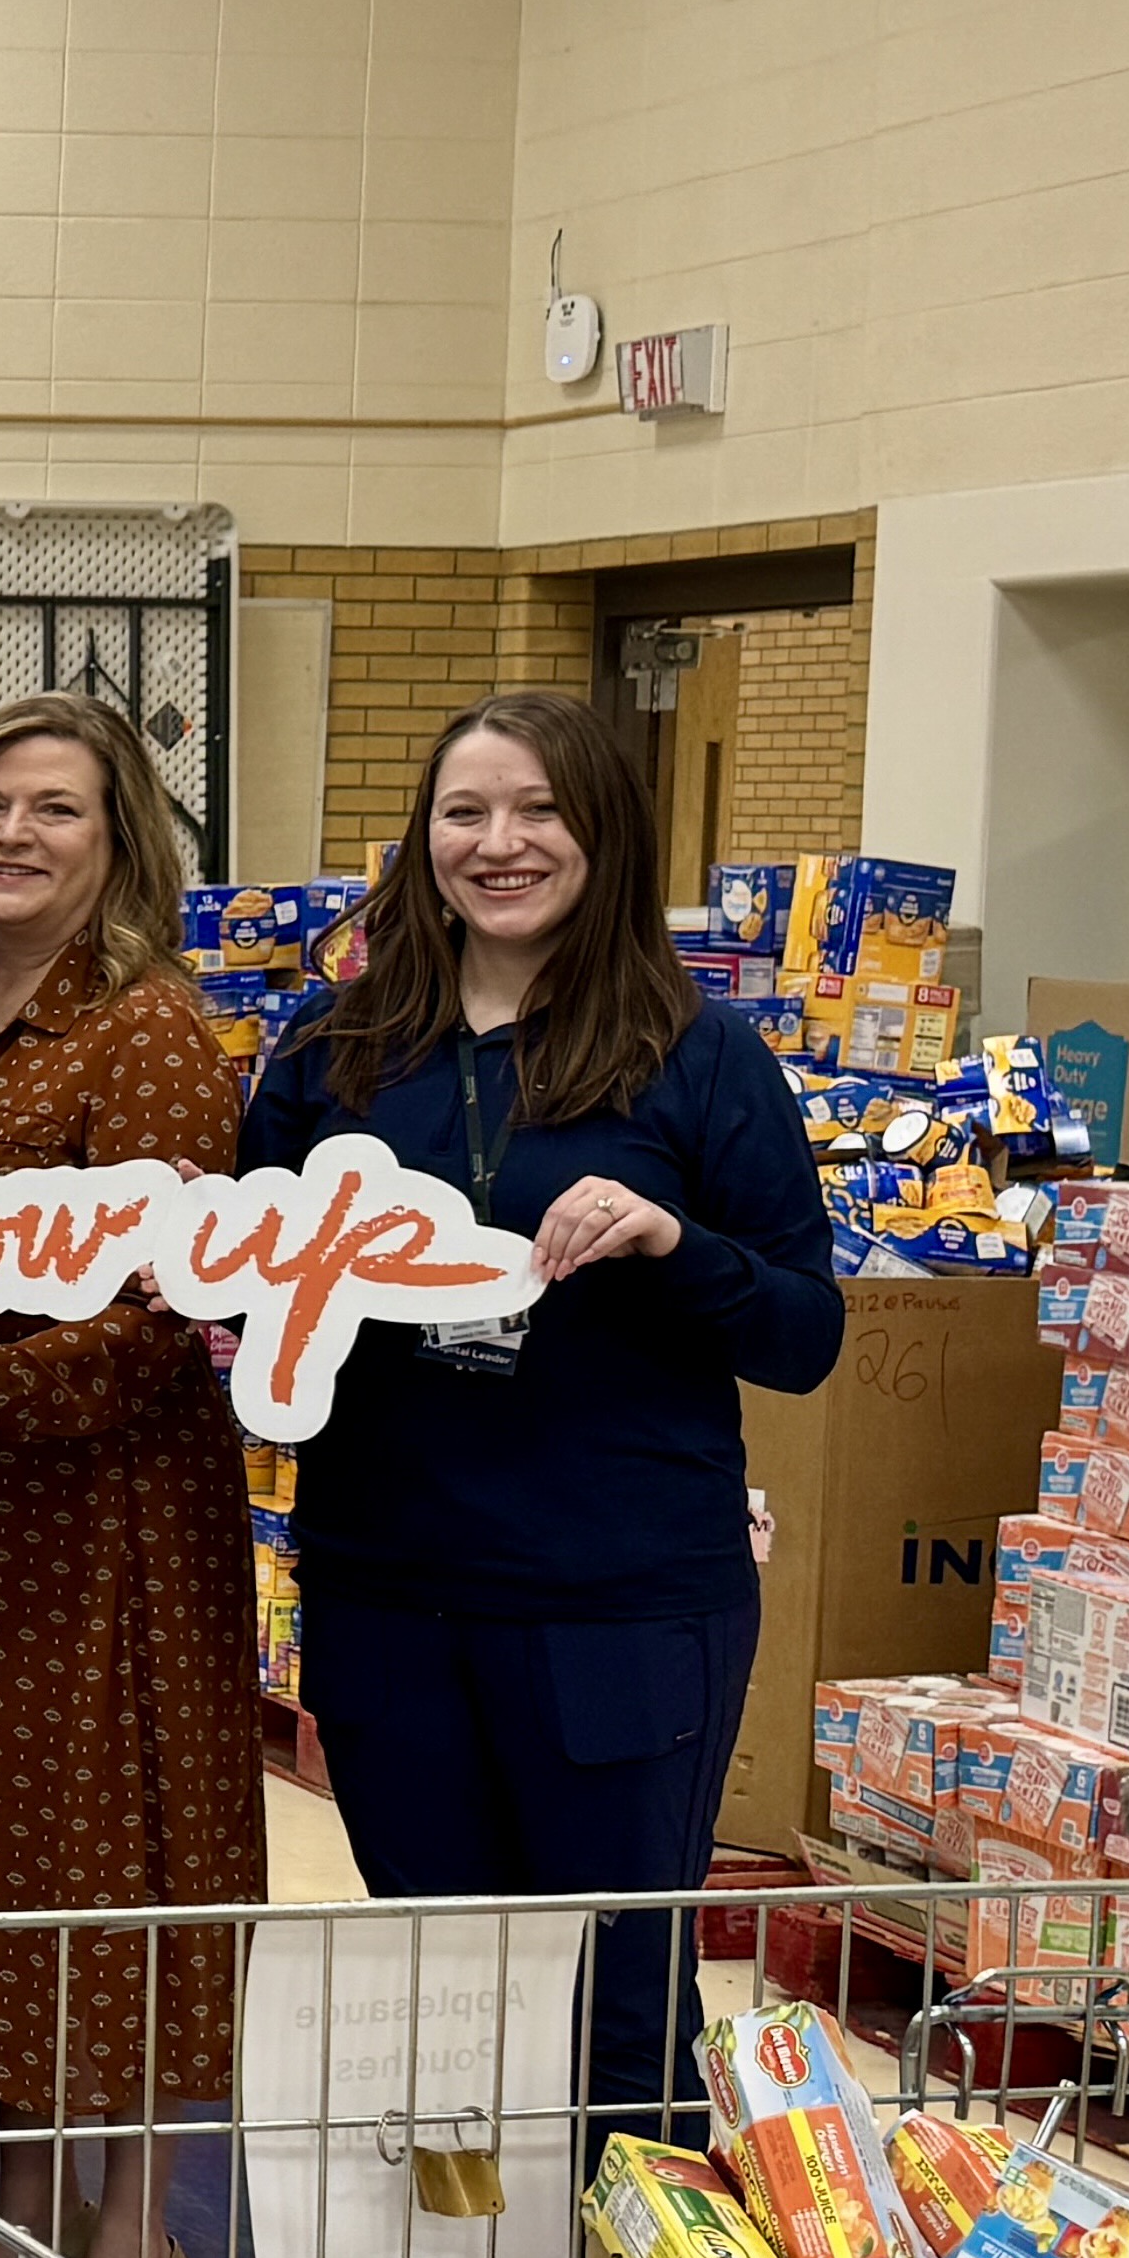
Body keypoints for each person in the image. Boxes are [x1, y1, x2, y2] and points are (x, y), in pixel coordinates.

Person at [241, 688, 838, 2145]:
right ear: (419, 837)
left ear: (599, 835)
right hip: (391, 1592)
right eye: (463, 812)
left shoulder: (696, 1058)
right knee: (442, 1995)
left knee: (610, 1996)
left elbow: (803, 1334)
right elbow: (248, 1274)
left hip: (619, 1608)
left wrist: (667, 1244)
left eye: (535, 812)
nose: (495, 844)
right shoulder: (329, 1051)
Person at [0, 694, 267, 2258]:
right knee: (3, 1872)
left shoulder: (145, 1029)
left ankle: (130, 2237)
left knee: (116, 1868)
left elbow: (174, 1308)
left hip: (102, 1523)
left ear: (120, 840)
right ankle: (20, 2214)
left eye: (58, 810)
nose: (14, 833)